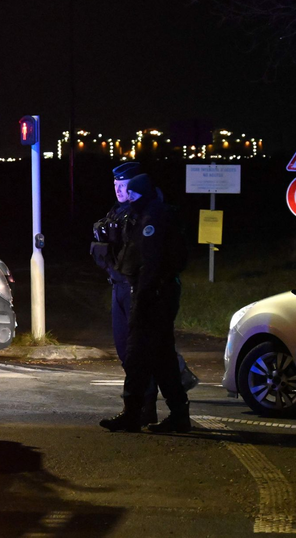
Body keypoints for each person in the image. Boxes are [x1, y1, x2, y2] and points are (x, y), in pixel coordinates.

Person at [99, 173, 191, 433]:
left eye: (133, 194)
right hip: (158, 295)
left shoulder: (152, 218)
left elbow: (150, 265)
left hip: (152, 296)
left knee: (137, 355)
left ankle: (133, 413)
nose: (130, 199)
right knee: (163, 359)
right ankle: (178, 414)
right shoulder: (151, 213)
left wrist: (141, 300)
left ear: (141, 194)